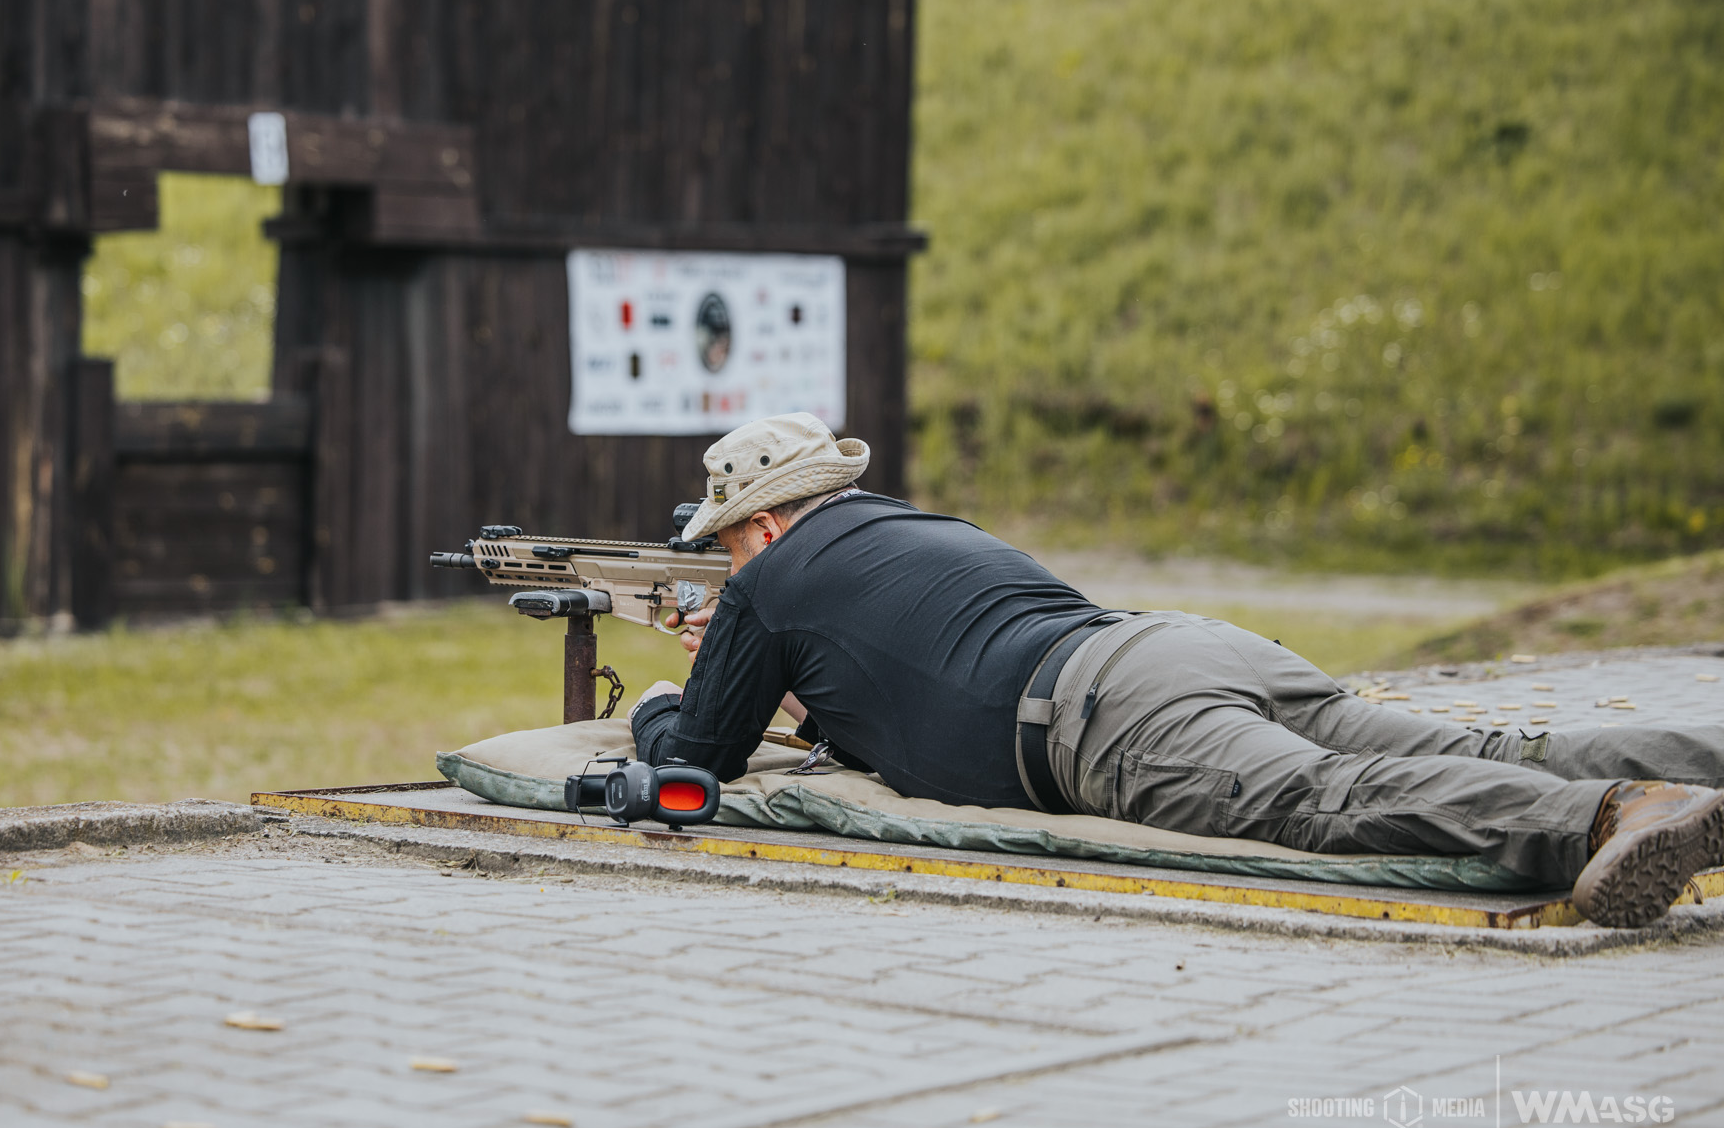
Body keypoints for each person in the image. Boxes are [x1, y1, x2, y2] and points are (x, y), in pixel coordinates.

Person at [629, 412, 1724, 928]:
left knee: (1322, 802)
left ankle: (1607, 817)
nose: (725, 564)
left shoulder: (770, 581)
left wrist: (667, 699)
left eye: (724, 545)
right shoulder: (913, 527)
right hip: (1180, 646)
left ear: (763, 527)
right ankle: (1692, 771)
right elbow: (903, 670)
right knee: (1481, 745)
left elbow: (696, 766)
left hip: (1096, 717)